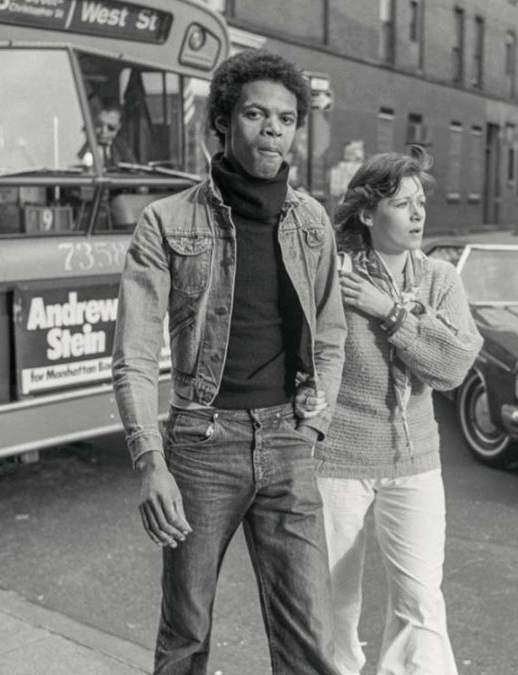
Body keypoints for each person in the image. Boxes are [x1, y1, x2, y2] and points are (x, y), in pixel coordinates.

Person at [111, 50, 346, 675]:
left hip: (289, 440)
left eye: (287, 119)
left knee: (311, 642)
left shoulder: (312, 222)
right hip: (201, 443)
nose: (273, 130)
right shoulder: (166, 221)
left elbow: (331, 333)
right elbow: (134, 355)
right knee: (185, 634)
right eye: (255, 114)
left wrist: (312, 426)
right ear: (222, 121)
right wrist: (150, 463)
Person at [296, 150, 482, 675]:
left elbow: (453, 365)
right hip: (338, 457)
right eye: (402, 204)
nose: (418, 214)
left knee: (421, 601)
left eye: (420, 202)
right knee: (332, 600)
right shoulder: (334, 275)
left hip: (414, 460)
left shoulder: (440, 279)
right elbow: (304, 353)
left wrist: (391, 312)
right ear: (366, 212)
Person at [81, 99, 137, 168]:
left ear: (119, 127)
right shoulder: (82, 145)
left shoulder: (123, 148)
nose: (104, 131)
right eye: (99, 125)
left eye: (111, 128)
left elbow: (133, 168)